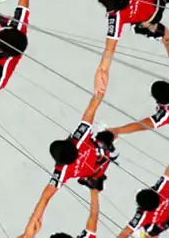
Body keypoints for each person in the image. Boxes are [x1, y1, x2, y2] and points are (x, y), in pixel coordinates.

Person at [20, 94, 117, 238]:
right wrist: (99, 92)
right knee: (107, 141)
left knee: (107, 141)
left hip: (96, 165)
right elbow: (91, 109)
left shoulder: (64, 168)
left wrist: (33, 222)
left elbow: (45, 197)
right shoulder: (77, 142)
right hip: (96, 167)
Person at [116, 140, 169, 237]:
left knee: (151, 232)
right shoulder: (161, 189)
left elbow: (124, 234)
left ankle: (144, 233)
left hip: (165, 220)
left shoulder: (142, 216)